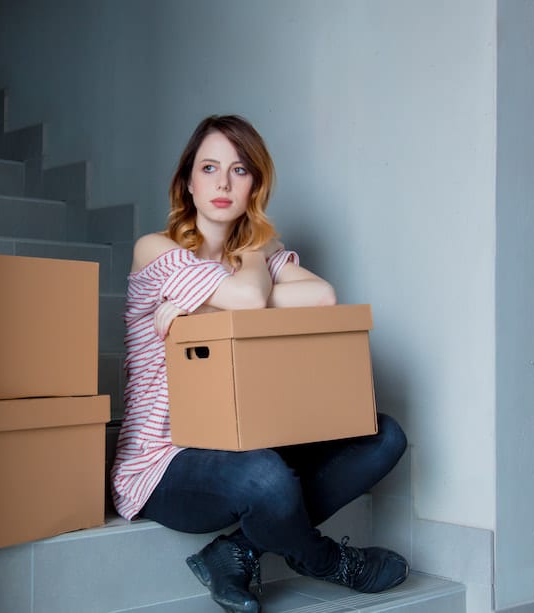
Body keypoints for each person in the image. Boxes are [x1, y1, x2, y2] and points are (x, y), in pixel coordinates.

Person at [110, 114, 409, 613]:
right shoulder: (156, 249)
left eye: (240, 170)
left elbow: (322, 297)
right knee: (266, 477)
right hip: (164, 464)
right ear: (188, 180)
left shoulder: (255, 257)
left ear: (256, 184)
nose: (224, 183)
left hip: (246, 438)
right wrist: (250, 276)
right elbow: (250, 299)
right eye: (209, 168)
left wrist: (219, 289)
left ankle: (235, 552)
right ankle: (326, 561)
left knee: (386, 437)